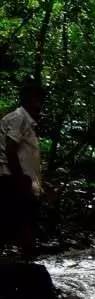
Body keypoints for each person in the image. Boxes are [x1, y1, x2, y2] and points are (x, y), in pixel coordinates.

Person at [0, 80, 46, 258]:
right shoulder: (19, 117)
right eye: (37, 99)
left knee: (21, 216)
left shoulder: (26, 121)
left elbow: (25, 155)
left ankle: (27, 254)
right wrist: (20, 179)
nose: (39, 104)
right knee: (19, 216)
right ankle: (26, 255)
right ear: (27, 99)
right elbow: (11, 149)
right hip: (10, 176)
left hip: (17, 176)